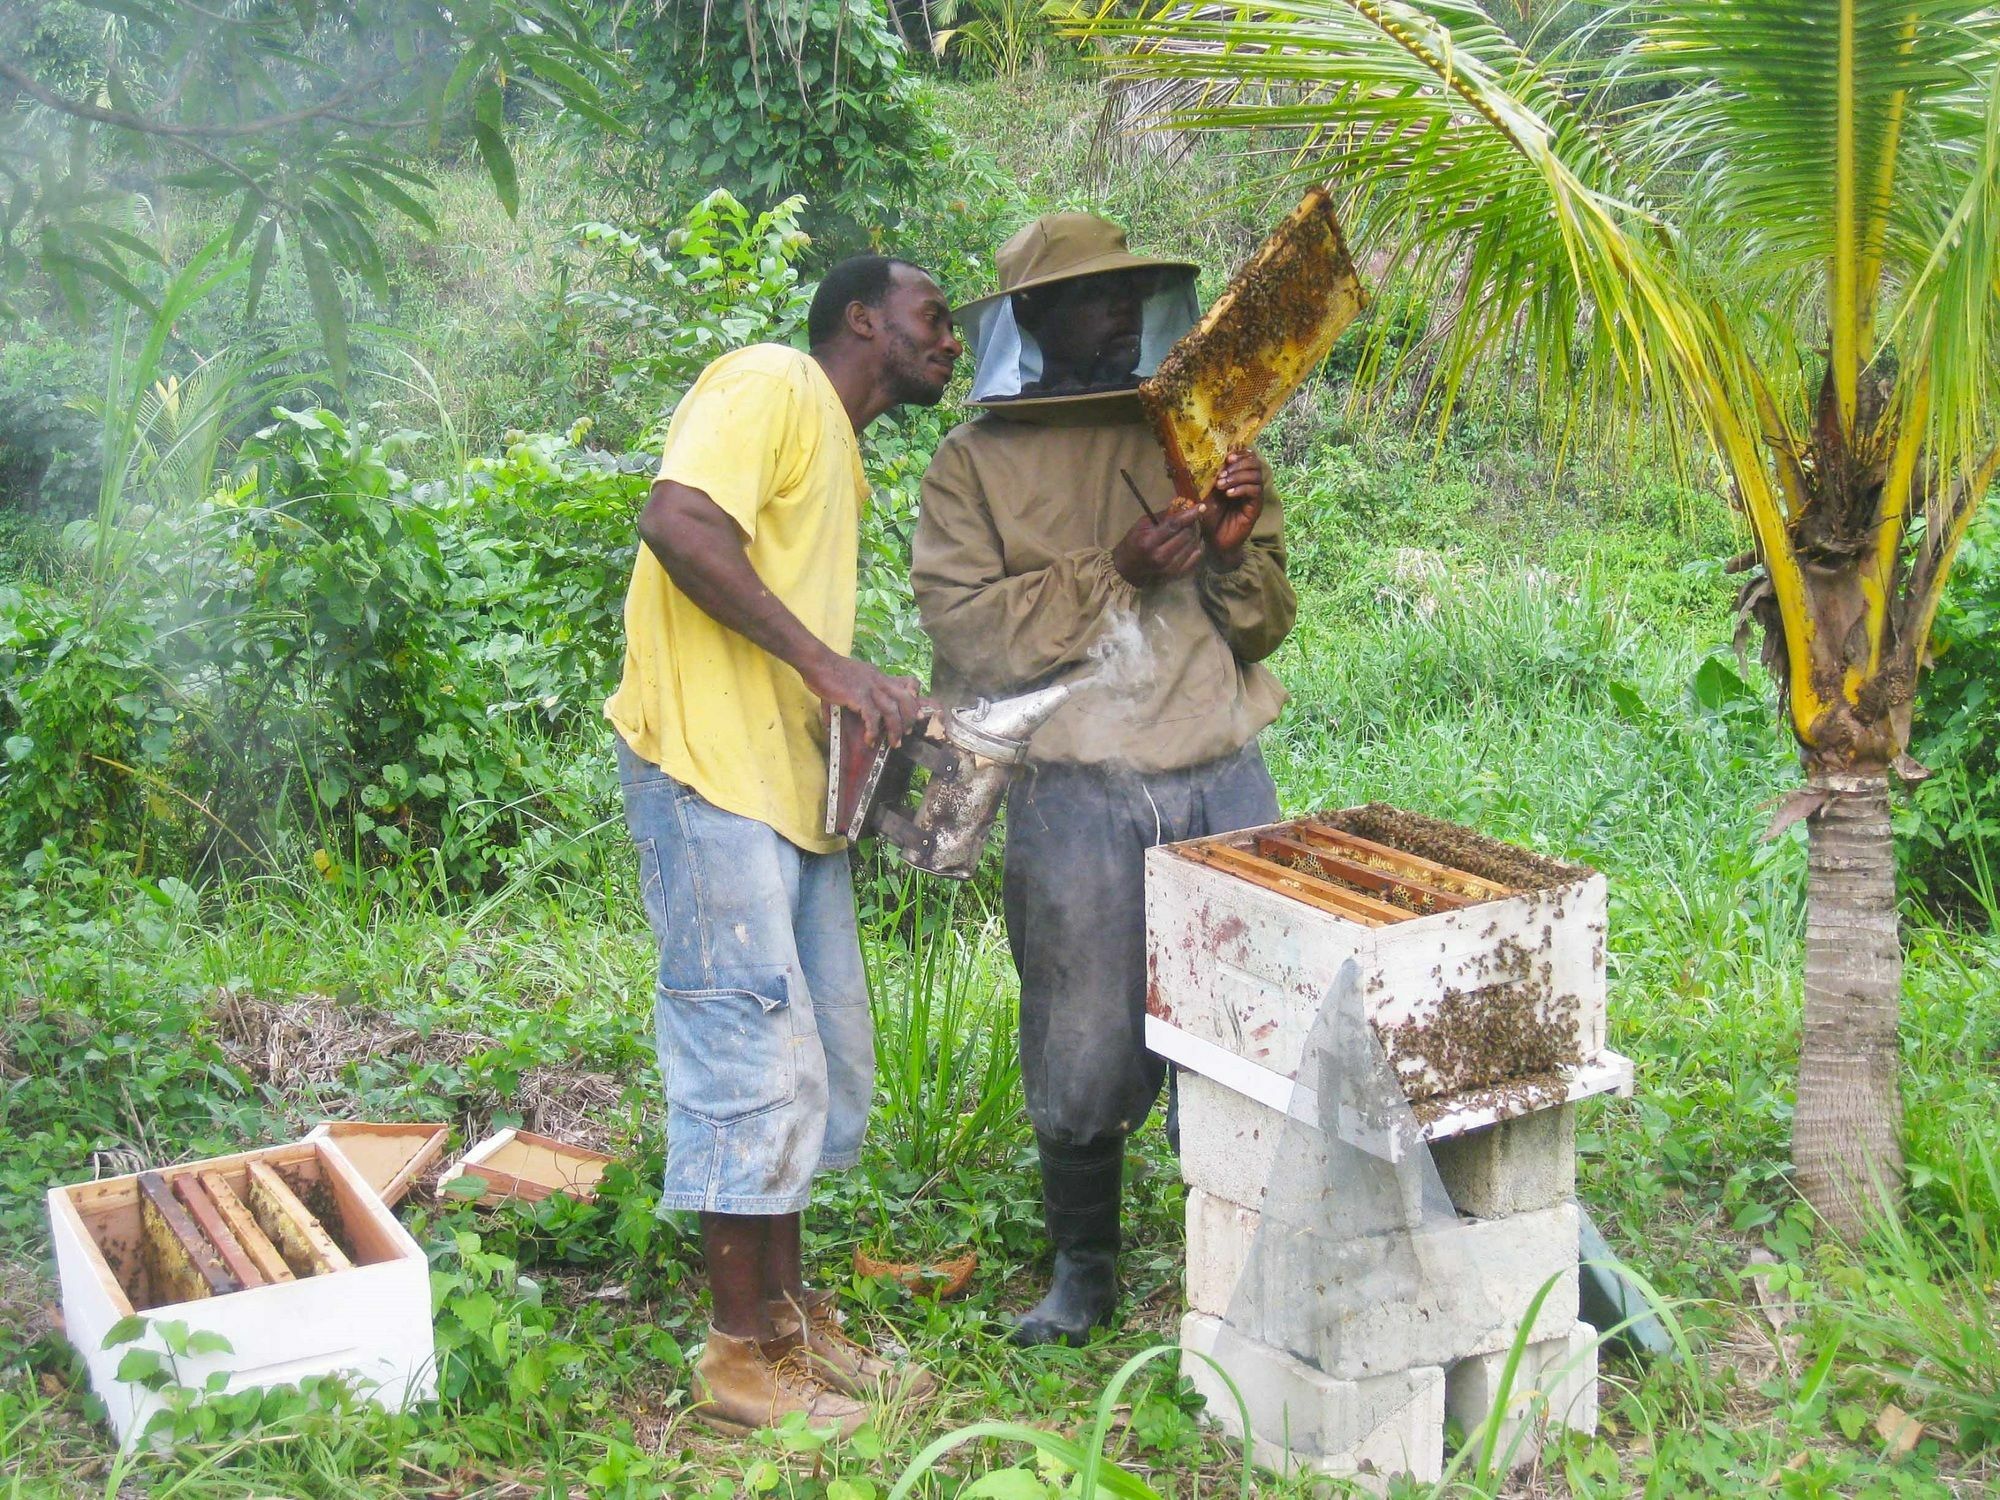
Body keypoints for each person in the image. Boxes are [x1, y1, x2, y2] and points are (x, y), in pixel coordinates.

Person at [911, 214, 1297, 1347]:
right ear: (1031, 320)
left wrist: (1228, 549)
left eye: (1130, 293)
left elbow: (1266, 623)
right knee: (1078, 1040)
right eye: (1091, 297)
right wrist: (1111, 573)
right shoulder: (970, 465)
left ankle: (1230, 1256)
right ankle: (1082, 1273)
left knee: (1244, 1021)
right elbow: (967, 636)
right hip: (1073, 788)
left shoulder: (1200, 433)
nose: (1120, 313)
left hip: (1219, 771)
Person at [606, 255, 962, 1432]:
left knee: (812, 1058)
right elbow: (676, 521)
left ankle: (788, 1315)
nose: (948, 340)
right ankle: (733, 1356)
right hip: (707, 774)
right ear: (860, 319)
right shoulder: (769, 380)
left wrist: (863, 690)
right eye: (931, 318)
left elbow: (793, 628)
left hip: (784, 789)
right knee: (745, 1050)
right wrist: (826, 663)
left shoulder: (840, 450)